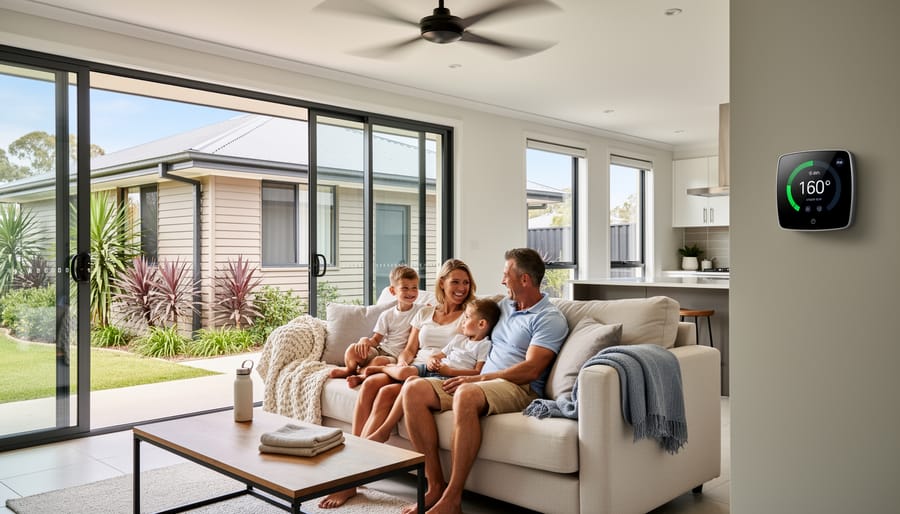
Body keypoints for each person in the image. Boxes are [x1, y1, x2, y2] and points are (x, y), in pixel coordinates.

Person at [398, 248, 569, 514]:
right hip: (481, 381)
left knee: (466, 393)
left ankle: (453, 499)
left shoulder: (548, 319)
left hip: (518, 388)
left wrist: (481, 377)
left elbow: (532, 370)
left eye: (506, 275)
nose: (502, 281)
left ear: (524, 280)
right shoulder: (503, 306)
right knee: (413, 389)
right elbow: (470, 322)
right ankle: (435, 486)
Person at [317, 258, 477, 509]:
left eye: (466, 282)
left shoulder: (468, 316)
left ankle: (354, 473)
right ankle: (353, 472)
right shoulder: (425, 311)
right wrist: (402, 363)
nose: (462, 287)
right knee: (371, 386)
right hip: (410, 366)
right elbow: (411, 348)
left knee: (386, 391)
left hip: (430, 373)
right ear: (442, 284)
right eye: (455, 281)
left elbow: (462, 351)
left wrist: (418, 366)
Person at [365, 298, 500, 444]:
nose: (463, 321)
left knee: (410, 382)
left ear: (481, 324)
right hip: (435, 368)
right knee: (404, 372)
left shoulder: (484, 345)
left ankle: (384, 430)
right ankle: (382, 368)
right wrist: (432, 360)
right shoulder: (458, 339)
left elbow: (478, 372)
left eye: (466, 318)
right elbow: (438, 355)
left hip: (446, 376)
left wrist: (450, 372)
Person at [328, 265, 421, 388]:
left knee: (378, 361)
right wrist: (364, 340)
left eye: (414, 288)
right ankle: (350, 370)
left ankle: (361, 376)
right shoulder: (387, 315)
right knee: (352, 349)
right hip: (381, 349)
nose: (411, 292)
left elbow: (437, 311)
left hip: (396, 356)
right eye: (405, 288)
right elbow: (376, 340)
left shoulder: (421, 310)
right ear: (393, 291)